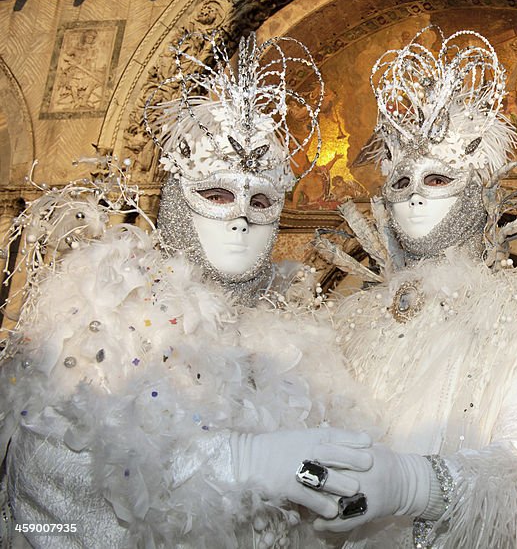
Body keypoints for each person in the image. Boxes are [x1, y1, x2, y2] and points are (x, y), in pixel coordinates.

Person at [0, 32, 376, 547]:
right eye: (217, 194)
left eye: (262, 199)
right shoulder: (105, 304)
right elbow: (48, 478)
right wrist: (232, 462)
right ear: (178, 198)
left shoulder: (304, 336)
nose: (242, 216)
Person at [309, 27, 517, 548]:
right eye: (401, 181)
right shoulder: (345, 320)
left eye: (438, 178)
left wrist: (417, 486)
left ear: (477, 184)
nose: (416, 197)